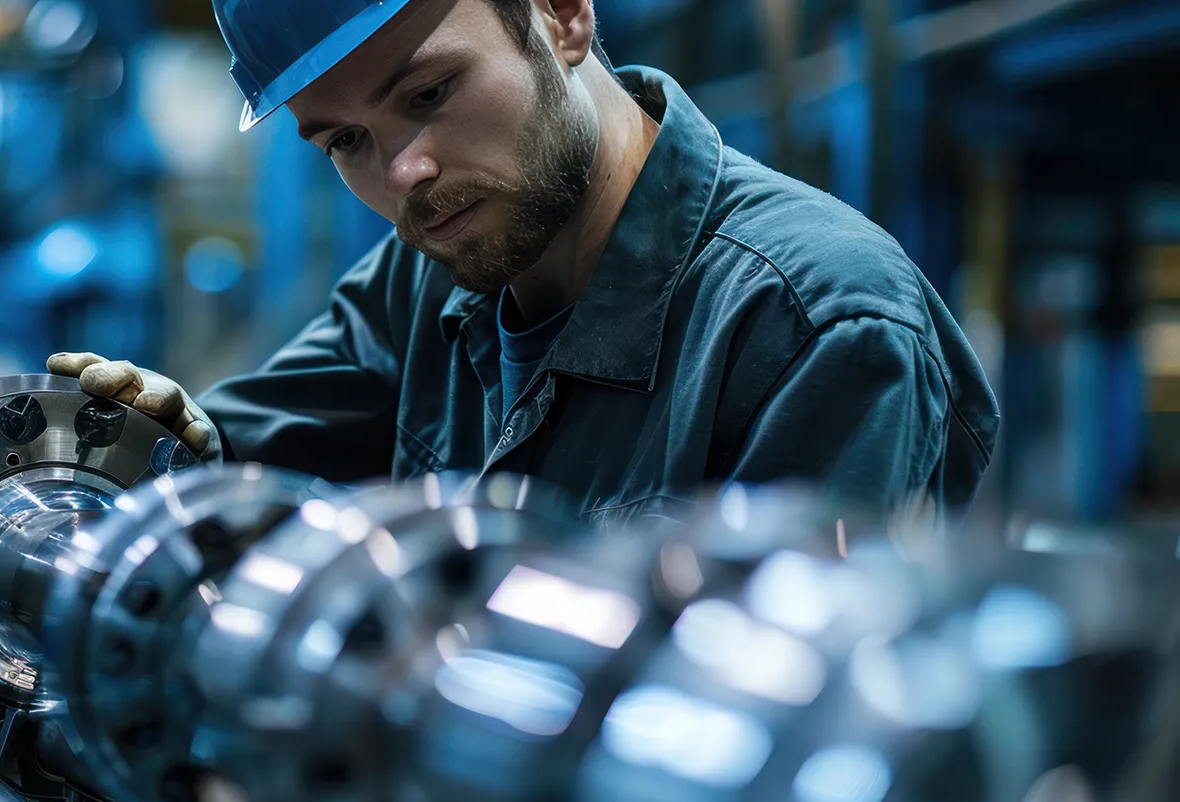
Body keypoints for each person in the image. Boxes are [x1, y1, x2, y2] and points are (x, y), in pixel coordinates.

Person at [50, 0, 998, 526]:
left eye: (429, 90)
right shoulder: (423, 279)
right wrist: (159, 443)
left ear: (560, 15)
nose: (404, 173)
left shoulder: (815, 322)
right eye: (344, 142)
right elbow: (221, 451)